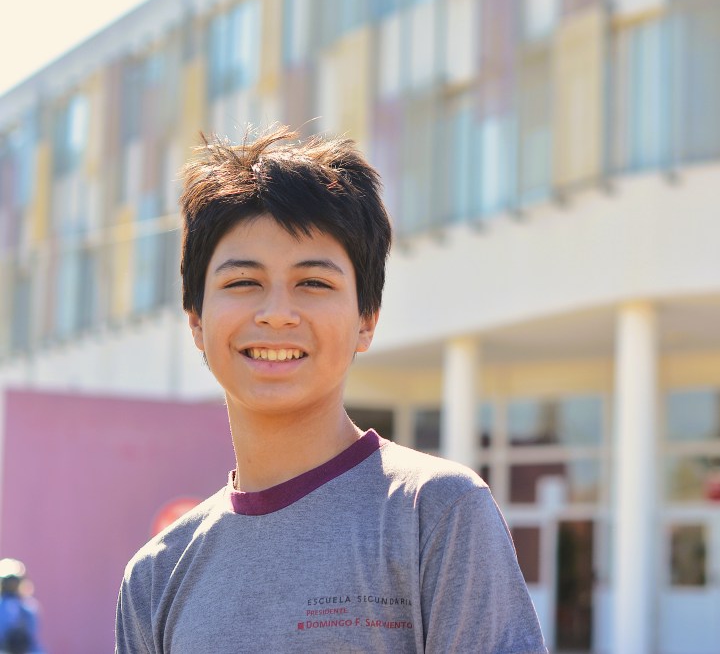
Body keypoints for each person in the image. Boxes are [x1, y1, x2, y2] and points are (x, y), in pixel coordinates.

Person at [115, 127, 547, 653]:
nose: (277, 314)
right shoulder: (155, 577)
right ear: (196, 321)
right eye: (243, 282)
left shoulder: (435, 512)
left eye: (313, 283)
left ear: (366, 320)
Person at [0, 558, 40, 654]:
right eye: (8, 582)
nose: (11, 585)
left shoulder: (28, 608)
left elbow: (31, 636)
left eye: (14, 582)